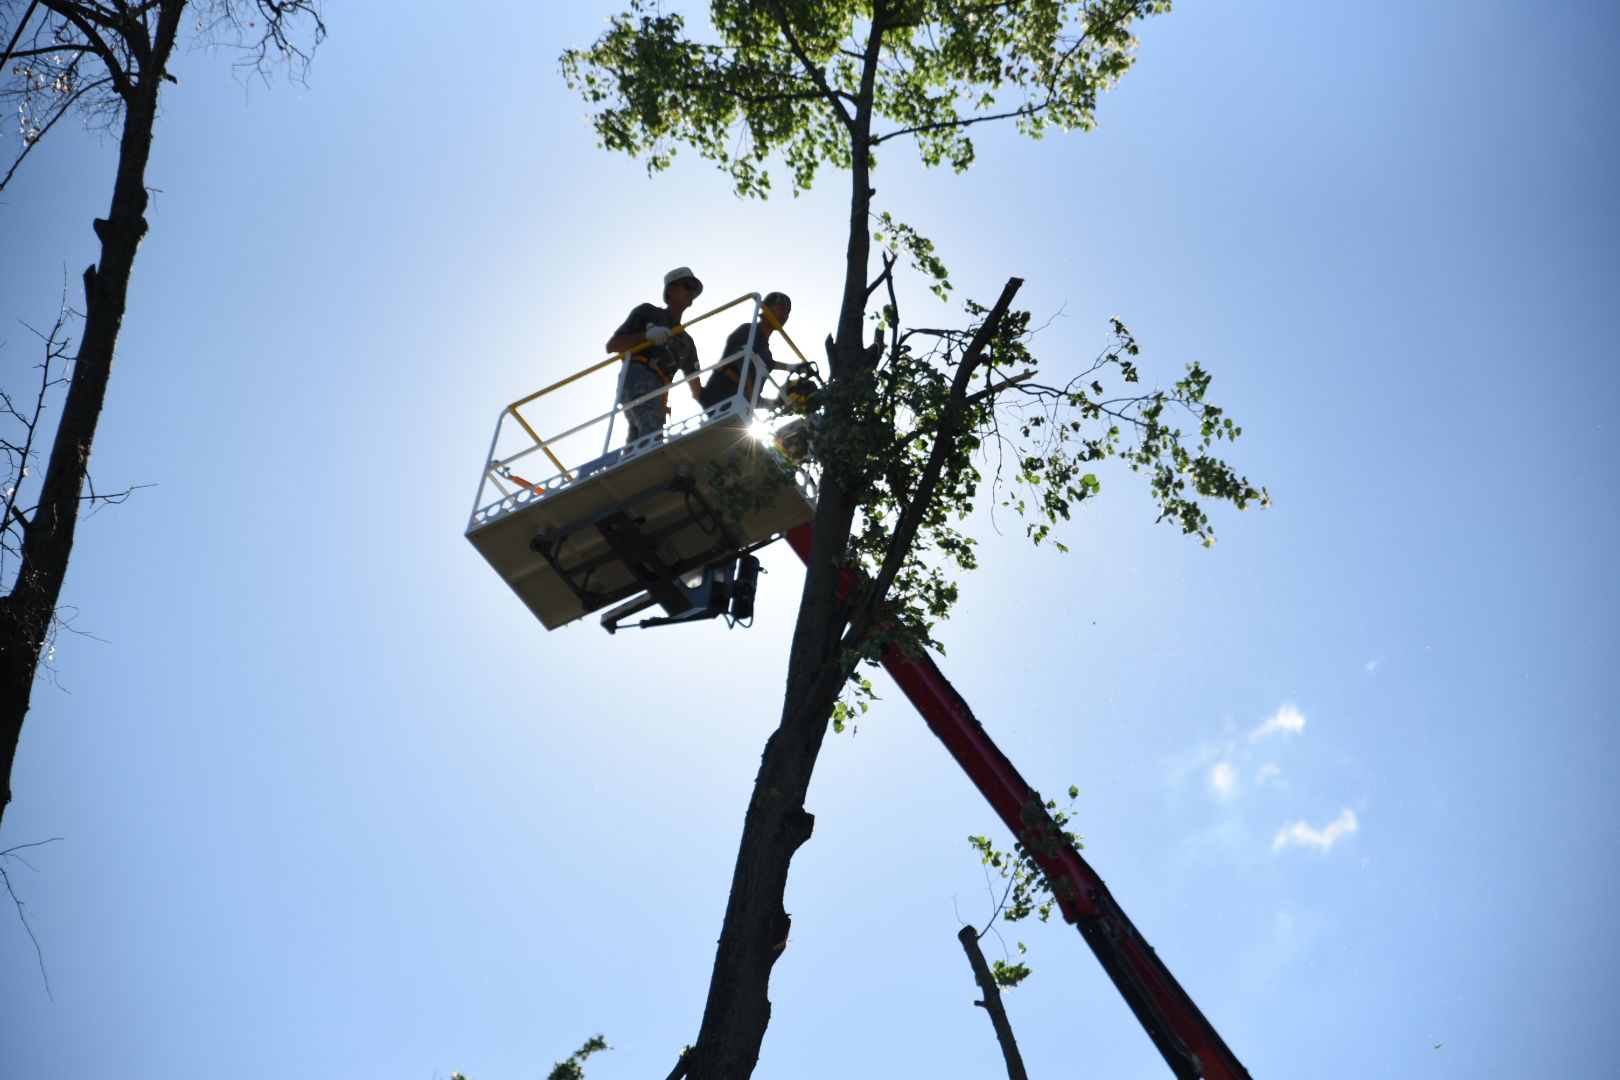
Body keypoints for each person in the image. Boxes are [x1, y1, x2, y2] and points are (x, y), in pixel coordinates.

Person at [605, 266, 705, 443]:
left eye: (695, 289)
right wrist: (646, 336)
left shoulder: (686, 342)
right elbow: (614, 345)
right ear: (671, 289)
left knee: (639, 440)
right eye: (687, 286)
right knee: (651, 422)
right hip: (638, 377)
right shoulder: (648, 313)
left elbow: (697, 390)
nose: (692, 292)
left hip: (660, 390)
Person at [699, 291, 808, 412]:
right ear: (765, 309)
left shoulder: (765, 352)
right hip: (720, 396)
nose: (785, 315)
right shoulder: (748, 331)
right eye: (781, 309)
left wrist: (780, 402)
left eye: (788, 312)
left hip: (739, 404)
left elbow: (769, 363)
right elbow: (742, 360)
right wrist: (752, 397)